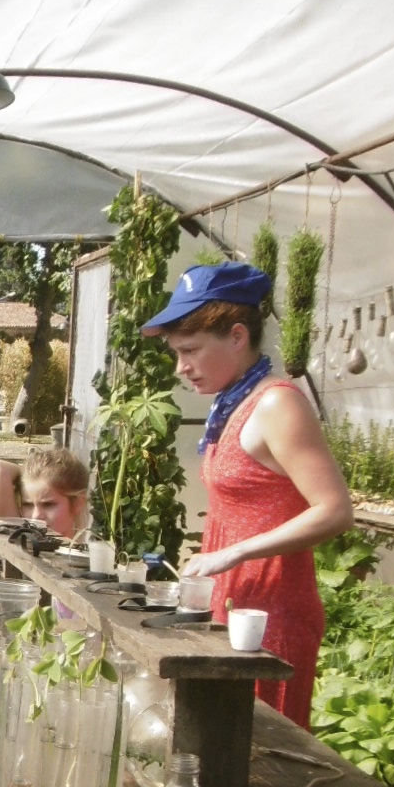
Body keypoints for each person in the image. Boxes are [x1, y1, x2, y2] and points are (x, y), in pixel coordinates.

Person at [145, 260, 353, 727]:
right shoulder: (232, 403)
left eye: (191, 350)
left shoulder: (277, 404)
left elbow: (336, 511)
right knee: (215, 746)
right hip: (233, 605)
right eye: (177, 353)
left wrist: (234, 553)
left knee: (258, 756)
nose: (182, 367)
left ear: (237, 336)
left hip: (270, 616)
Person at [0, 446, 91, 541]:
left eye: (48, 505)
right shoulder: (23, 539)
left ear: (78, 503)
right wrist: (27, 476)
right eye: (28, 505)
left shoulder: (95, 556)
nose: (35, 516)